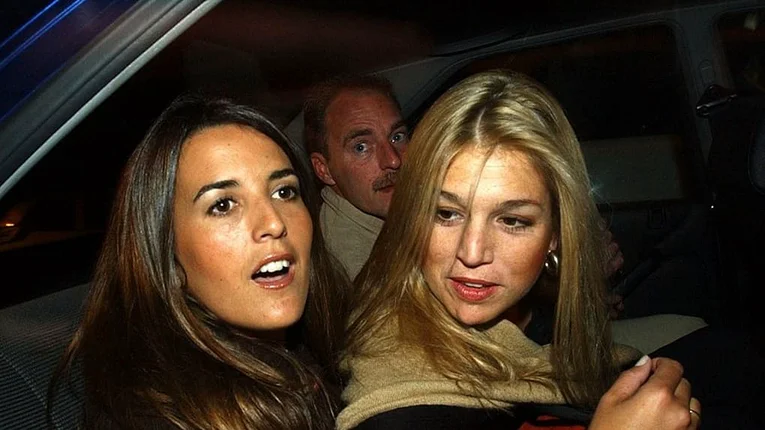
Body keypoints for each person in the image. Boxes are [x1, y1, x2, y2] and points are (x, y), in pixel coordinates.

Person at [338, 70, 701, 429]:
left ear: (555, 233)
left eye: (512, 220)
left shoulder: (536, 310)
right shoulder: (399, 406)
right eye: (446, 213)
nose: (472, 253)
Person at [49, 96, 349, 429]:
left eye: (284, 192)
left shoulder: (314, 352)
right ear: (167, 256)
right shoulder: (158, 418)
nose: (274, 222)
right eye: (222, 205)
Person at [303, 74, 408, 279]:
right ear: (324, 170)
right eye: (361, 147)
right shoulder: (359, 271)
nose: (393, 160)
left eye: (397, 137)